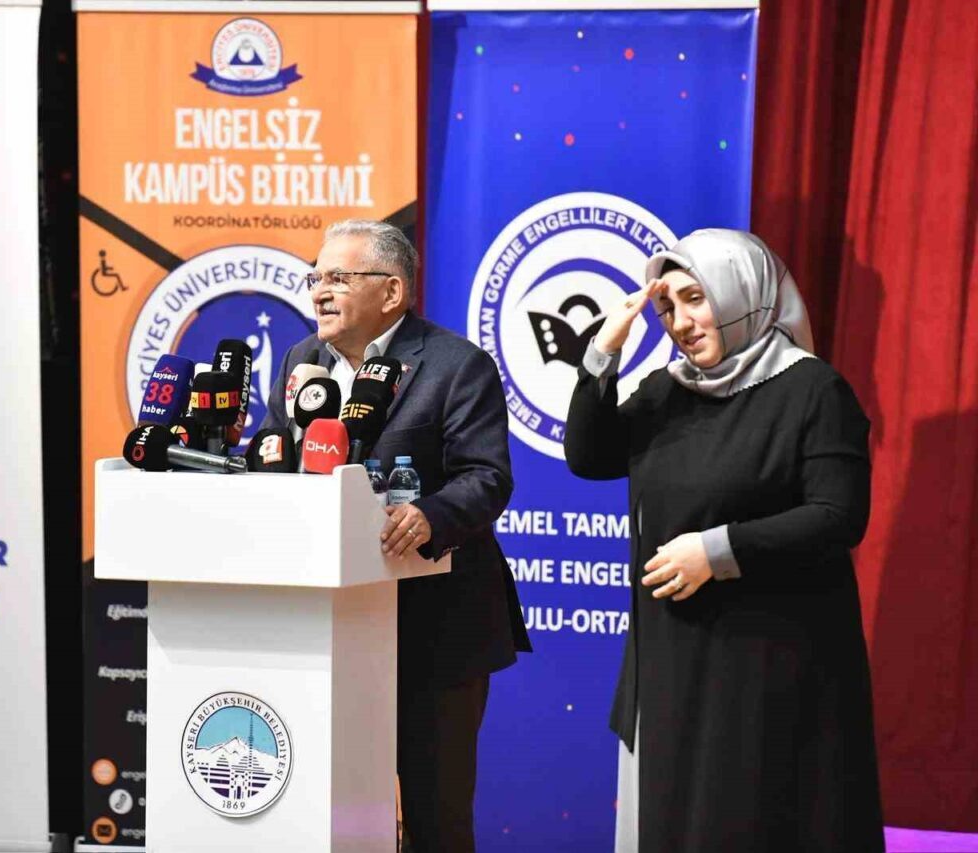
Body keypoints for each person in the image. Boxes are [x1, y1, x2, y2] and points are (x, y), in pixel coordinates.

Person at [565, 228, 884, 852]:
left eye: (696, 299)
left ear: (743, 291)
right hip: (673, 656)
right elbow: (589, 456)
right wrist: (603, 353)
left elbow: (838, 515)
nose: (680, 323)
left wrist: (717, 552)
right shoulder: (668, 390)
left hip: (771, 661)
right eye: (667, 308)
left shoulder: (813, 390)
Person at [262, 219, 531, 852]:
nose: (320, 291)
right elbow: (274, 448)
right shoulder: (302, 362)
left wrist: (431, 515)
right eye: (316, 277)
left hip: (434, 629)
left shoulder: (455, 365)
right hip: (326, 628)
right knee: (335, 814)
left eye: (338, 277)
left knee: (436, 819)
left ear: (392, 292)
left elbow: (486, 477)